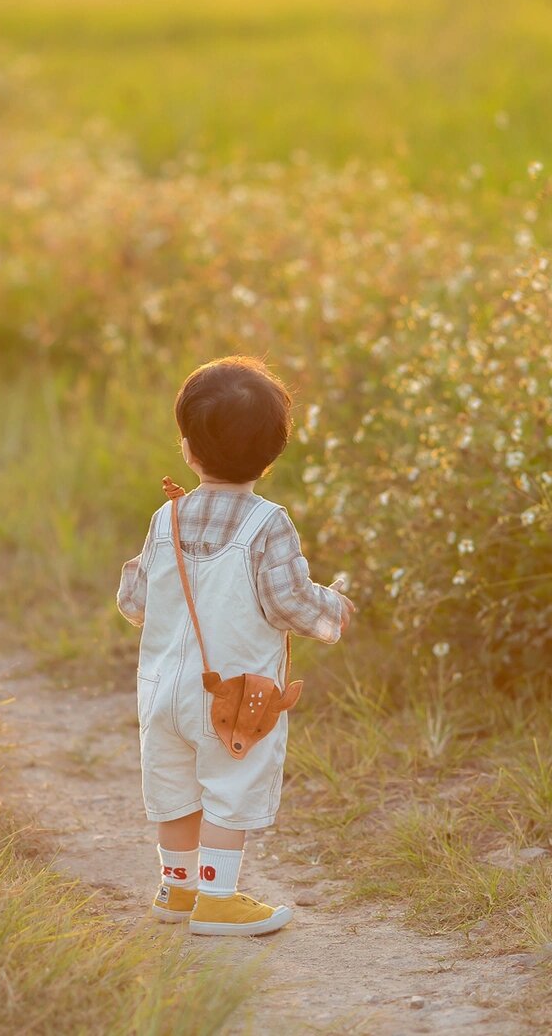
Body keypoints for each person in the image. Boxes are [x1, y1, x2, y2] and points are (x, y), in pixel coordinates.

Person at [117, 356, 353, 936]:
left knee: (174, 789)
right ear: (272, 454)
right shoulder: (267, 524)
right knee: (228, 787)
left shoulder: (165, 516)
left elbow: (134, 601)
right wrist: (337, 608)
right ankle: (219, 899)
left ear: (188, 449)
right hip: (233, 694)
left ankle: (177, 890)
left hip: (163, 690)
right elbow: (288, 603)